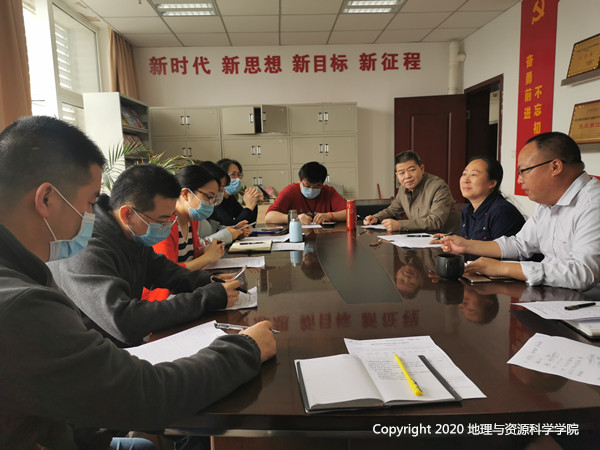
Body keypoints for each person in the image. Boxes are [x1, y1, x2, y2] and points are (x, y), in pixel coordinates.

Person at [0, 116, 276, 449]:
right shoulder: (20, 305)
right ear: (46, 199)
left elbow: (165, 272)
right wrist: (246, 349)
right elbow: (144, 392)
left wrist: (210, 282)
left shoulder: (27, 269)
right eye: (89, 202)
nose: (92, 213)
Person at [48, 163, 243, 347]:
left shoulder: (131, 232)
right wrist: (206, 298)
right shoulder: (85, 247)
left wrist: (209, 281)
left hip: (124, 346)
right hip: (93, 353)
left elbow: (163, 271)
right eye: (162, 220)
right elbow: (124, 320)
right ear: (127, 214)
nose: (167, 226)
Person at [439, 132, 600, 291]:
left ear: (555, 167)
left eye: (524, 171)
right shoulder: (546, 203)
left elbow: (584, 274)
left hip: (587, 300)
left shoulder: (593, 204)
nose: (519, 180)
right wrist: (466, 245)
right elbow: (520, 244)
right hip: (553, 293)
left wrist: (502, 268)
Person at [142, 164, 225, 302]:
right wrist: (207, 258)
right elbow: (168, 273)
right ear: (186, 194)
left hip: (186, 290)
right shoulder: (165, 224)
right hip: (164, 299)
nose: (211, 204)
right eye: (209, 197)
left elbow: (193, 256)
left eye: (214, 199)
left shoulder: (192, 220)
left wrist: (207, 251)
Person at [363, 151, 460, 233]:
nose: (407, 176)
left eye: (411, 170)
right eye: (402, 173)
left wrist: (400, 225)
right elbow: (393, 211)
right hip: (419, 239)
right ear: (397, 175)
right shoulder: (403, 188)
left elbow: (436, 221)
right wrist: (376, 218)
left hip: (445, 243)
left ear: (421, 169)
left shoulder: (438, 187)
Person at [458, 156, 525, 241]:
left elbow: (503, 249)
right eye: (464, 174)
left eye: (474, 175)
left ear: (492, 183)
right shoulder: (467, 210)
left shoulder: (502, 212)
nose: (465, 180)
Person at [265, 161, 347, 225]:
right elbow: (269, 217)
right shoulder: (290, 191)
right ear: (299, 181)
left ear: (322, 184)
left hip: (324, 236)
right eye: (307, 185)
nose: (311, 189)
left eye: (317, 186)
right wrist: (295, 218)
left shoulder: (329, 191)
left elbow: (349, 213)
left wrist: (330, 216)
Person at [198, 160, 252, 242]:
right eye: (233, 174)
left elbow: (215, 229)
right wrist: (229, 234)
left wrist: (235, 229)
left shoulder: (209, 207)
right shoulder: (192, 214)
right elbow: (198, 245)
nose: (220, 193)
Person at [210, 158, 261, 226]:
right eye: (233, 174)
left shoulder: (230, 198)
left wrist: (253, 201)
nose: (237, 179)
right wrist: (249, 207)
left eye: (239, 175)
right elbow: (230, 226)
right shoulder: (216, 199)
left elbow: (249, 223)